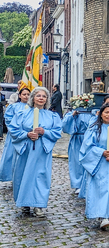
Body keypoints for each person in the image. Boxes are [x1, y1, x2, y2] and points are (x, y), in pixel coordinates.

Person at [11, 86, 62, 216]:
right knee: (24, 175)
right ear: (33, 98)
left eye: (44, 96)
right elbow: (14, 130)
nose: (41, 98)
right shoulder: (22, 114)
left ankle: (38, 204)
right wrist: (27, 135)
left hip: (41, 150)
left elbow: (57, 132)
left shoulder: (52, 116)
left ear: (47, 100)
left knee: (40, 176)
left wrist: (44, 132)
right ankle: (24, 203)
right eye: (38, 95)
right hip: (26, 150)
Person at [0, 86, 30, 183]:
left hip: (27, 136)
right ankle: (11, 175)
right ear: (20, 96)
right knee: (11, 155)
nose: (26, 96)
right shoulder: (14, 107)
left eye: (28, 94)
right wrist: (15, 129)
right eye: (24, 94)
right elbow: (8, 120)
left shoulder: (33, 108)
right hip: (14, 135)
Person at [62, 105, 94, 194]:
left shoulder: (93, 113)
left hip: (88, 139)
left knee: (88, 161)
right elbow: (64, 125)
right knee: (76, 162)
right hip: (77, 139)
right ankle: (78, 184)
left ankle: (88, 184)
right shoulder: (73, 113)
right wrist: (72, 116)